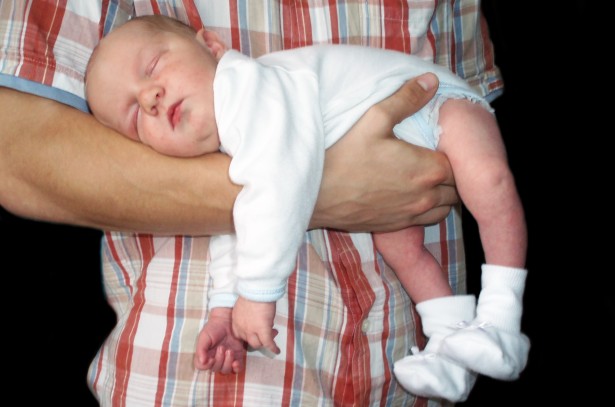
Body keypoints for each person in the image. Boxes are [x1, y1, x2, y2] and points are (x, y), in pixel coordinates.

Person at [0, 1, 503, 405]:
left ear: (212, 46)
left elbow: (461, 102)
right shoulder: (221, 124)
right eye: (134, 117)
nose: (150, 97)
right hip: (198, 386)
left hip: (396, 373)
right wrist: (229, 304)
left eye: (153, 68)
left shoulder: (246, 86)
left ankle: (468, 328)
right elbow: (13, 154)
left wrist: (252, 292)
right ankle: (463, 329)